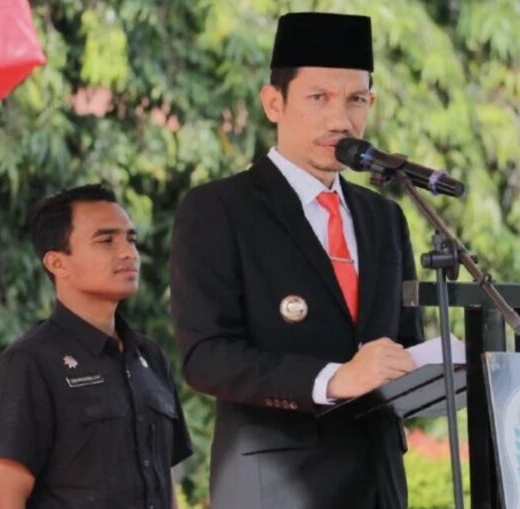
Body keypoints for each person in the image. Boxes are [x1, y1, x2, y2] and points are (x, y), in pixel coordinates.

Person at [170, 12, 421, 509]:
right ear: (273, 103)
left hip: (379, 484)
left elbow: (403, 346)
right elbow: (206, 358)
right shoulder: (219, 208)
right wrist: (332, 377)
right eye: (318, 98)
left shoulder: (384, 217)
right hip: (276, 487)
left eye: (356, 100)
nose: (340, 120)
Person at [0, 184, 192, 508]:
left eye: (130, 239)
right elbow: (3, 494)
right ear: (57, 263)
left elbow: (165, 480)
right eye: (106, 240)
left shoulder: (150, 357)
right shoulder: (28, 365)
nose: (128, 253)